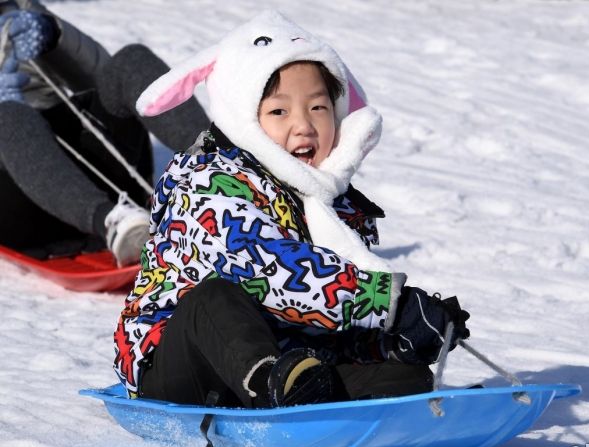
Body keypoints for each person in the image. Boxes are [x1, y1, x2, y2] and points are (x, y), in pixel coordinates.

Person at [114, 10, 470, 409]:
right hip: (179, 365)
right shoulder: (206, 181)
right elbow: (270, 269)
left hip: (297, 363)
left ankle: (313, 398)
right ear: (243, 118)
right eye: (279, 112)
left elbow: (332, 317)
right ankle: (274, 387)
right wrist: (387, 304)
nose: (303, 125)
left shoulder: (335, 203)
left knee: (405, 377)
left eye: (318, 108)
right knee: (213, 299)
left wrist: (400, 335)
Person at [0, 0, 208, 264]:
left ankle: (227, 173)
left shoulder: (17, 8)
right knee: (9, 115)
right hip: (25, 204)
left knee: (131, 62)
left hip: (96, 169)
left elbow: (102, 80)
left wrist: (55, 36)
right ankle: (115, 224)